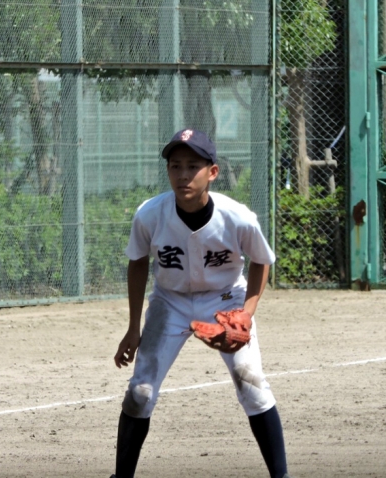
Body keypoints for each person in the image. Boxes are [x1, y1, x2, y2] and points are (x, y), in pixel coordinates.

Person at [111, 129, 290, 478]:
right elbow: (138, 262)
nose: (183, 175)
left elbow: (261, 260)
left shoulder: (237, 216)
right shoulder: (150, 214)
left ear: (212, 172)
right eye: (175, 166)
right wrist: (133, 328)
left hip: (226, 299)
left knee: (251, 382)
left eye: (193, 166)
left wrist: (246, 313)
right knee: (140, 392)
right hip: (170, 301)